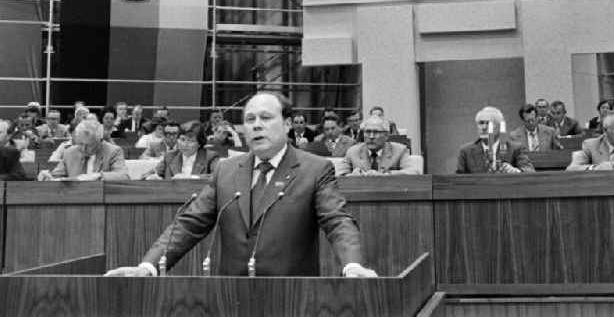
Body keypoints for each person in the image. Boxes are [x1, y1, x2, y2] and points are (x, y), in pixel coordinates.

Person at [104, 92, 376, 278]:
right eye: (249, 120)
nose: (256, 126)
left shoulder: (315, 169)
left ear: (288, 123)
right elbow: (189, 223)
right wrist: (148, 266)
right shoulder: (226, 170)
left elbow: (338, 220)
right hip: (230, 297)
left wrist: (352, 265)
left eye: (266, 118)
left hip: (292, 298)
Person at [39, 118, 129, 180]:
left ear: (100, 141)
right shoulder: (70, 152)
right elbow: (56, 176)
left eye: (88, 145)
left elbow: (123, 176)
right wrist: (47, 176)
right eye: (80, 144)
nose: (83, 149)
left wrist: (97, 176)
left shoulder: (113, 151)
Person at [456, 106, 534, 173]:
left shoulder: (515, 148)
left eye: (488, 123)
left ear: (499, 126)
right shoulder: (466, 151)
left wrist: (516, 171)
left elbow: (530, 171)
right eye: (481, 123)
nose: (484, 127)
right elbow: (458, 180)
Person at [342, 116, 418, 175]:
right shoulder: (352, 151)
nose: (371, 136)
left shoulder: (400, 150)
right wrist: (352, 175)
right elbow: (339, 175)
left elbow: (413, 172)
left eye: (376, 132)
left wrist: (386, 175)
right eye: (368, 132)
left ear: (386, 136)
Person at [146, 122, 217, 180]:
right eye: (182, 139)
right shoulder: (169, 157)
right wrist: (153, 178)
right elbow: (147, 175)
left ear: (199, 144)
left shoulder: (210, 157)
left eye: (191, 141)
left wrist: (191, 177)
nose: (185, 144)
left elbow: (217, 176)